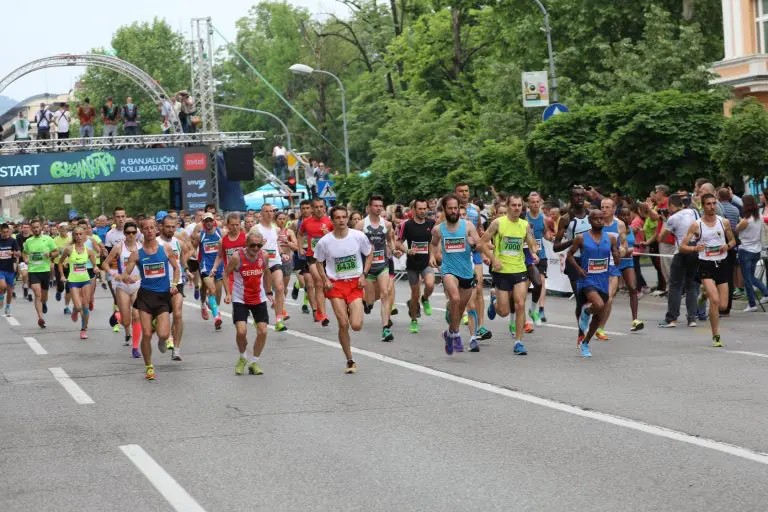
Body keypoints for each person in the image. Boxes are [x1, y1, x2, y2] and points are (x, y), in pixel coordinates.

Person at [313, 206, 372, 374]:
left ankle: (353, 308)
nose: (341, 220)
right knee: (343, 323)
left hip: (355, 284)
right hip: (336, 284)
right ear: (332, 220)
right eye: (337, 217)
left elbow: (369, 253)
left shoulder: (358, 236)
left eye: (344, 217)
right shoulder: (324, 242)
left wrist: (364, 275)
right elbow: (318, 262)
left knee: (356, 325)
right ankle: (350, 359)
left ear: (347, 218)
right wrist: (325, 279)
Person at [481, 194, 538, 355]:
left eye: (519, 205)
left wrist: (534, 252)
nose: (517, 208)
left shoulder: (525, 225)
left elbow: (531, 243)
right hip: (501, 271)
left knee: (520, 304)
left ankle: (518, 342)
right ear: (508, 206)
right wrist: (493, 259)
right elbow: (482, 242)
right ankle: (494, 303)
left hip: (519, 269)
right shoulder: (498, 223)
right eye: (513, 205)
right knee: (504, 311)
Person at [124, 218, 180, 380]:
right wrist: (128, 278)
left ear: (156, 229)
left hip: (163, 296)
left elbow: (176, 268)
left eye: (152, 228)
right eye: (146, 228)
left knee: (163, 334)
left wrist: (174, 284)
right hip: (145, 297)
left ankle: (161, 335)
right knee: (147, 333)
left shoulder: (166, 249)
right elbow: (126, 273)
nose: (149, 231)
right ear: (141, 231)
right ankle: (149, 367)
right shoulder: (136, 254)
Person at [678, 193, 736, 347]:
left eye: (714, 203)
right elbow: (682, 246)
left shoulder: (724, 222)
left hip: (722, 264)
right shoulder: (696, 225)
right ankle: (716, 335)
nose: (712, 207)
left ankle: (703, 295)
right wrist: (695, 248)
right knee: (715, 301)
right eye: (708, 204)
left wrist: (727, 246)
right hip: (705, 264)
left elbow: (733, 240)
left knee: (723, 306)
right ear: (703, 206)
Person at [429, 194, 481, 355]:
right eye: (450, 208)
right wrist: (432, 256)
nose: (453, 211)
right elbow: (433, 244)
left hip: (466, 271)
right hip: (448, 270)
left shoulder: (468, 226)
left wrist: (473, 244)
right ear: (444, 210)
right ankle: (456, 334)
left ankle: (449, 333)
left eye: (455, 208)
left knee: (460, 308)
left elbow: (480, 245)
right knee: (455, 299)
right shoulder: (438, 229)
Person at [567, 209, 621, 358]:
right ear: (590, 221)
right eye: (596, 218)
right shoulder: (581, 238)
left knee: (599, 316)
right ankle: (586, 312)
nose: (599, 221)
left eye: (601, 218)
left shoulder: (611, 238)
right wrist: (578, 269)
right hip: (587, 279)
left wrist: (617, 255)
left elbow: (616, 258)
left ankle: (585, 343)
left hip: (603, 279)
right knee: (598, 304)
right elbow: (569, 255)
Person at [224, 231, 272, 376]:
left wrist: (269, 292)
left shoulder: (264, 255)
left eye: (259, 245)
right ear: (246, 244)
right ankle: (243, 357)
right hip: (241, 298)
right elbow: (225, 274)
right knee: (241, 332)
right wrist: (228, 293)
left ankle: (254, 362)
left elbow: (267, 272)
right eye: (252, 245)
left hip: (259, 297)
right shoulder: (237, 257)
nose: (256, 248)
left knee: (263, 331)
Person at [356, 195, 397, 342]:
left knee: (385, 293)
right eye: (376, 206)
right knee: (371, 299)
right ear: (369, 207)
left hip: (382, 265)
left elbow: (390, 240)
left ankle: (385, 328)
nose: (379, 208)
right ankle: (367, 303)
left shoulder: (387, 224)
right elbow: (354, 245)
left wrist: (394, 250)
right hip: (367, 268)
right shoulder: (361, 225)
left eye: (381, 206)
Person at [454, 183, 492, 342]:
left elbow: (479, 230)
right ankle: (457, 314)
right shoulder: (451, 210)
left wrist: (484, 252)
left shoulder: (475, 210)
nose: (464, 193)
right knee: (460, 292)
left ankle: (481, 326)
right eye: (461, 191)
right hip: (458, 253)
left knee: (479, 288)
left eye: (466, 191)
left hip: (474, 252)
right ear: (456, 193)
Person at [657, 195, 700, 328]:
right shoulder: (694, 212)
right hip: (694, 250)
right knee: (691, 286)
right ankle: (692, 318)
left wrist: (666, 222)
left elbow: (662, 238)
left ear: (671, 205)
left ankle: (672, 318)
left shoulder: (673, 218)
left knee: (675, 286)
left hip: (681, 252)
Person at [102, 221, 142, 357]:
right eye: (128, 232)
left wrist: (138, 276)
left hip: (137, 285)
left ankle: (135, 347)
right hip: (122, 286)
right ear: (124, 234)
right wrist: (115, 275)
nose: (131, 235)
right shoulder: (119, 247)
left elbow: (146, 266)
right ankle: (123, 325)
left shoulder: (141, 247)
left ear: (137, 233)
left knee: (136, 315)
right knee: (126, 320)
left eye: (133, 232)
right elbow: (105, 264)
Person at [554, 186, 591, 329]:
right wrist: (573, 241)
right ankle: (581, 332)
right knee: (580, 299)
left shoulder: (591, 215)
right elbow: (556, 246)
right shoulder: (565, 219)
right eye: (576, 195)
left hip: (590, 261)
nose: (580, 198)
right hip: (574, 261)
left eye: (582, 195)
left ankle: (589, 321)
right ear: (571, 198)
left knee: (594, 297)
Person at [396, 199, 435, 334]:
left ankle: (425, 299)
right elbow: (398, 243)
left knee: (430, 284)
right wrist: (407, 250)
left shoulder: (431, 223)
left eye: (425, 209)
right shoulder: (407, 225)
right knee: (414, 294)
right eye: (420, 209)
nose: (423, 211)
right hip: (412, 264)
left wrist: (433, 256)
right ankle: (413, 320)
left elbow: (434, 242)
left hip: (426, 262)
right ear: (413, 210)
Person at [157, 214, 189, 361]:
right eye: (167, 226)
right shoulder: (156, 243)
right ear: (161, 227)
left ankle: (176, 349)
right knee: (161, 319)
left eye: (173, 227)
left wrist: (186, 269)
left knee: (177, 314)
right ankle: (163, 338)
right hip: (159, 285)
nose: (170, 229)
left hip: (177, 282)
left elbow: (183, 257)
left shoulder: (178, 242)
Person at [297, 198, 334, 326]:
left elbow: (338, 237)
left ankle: (319, 310)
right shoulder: (306, 222)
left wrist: (329, 234)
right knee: (318, 281)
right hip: (312, 256)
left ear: (325, 208)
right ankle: (323, 315)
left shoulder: (330, 222)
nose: (319, 209)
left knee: (322, 285)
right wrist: (300, 248)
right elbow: (300, 234)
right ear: (312, 209)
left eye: (321, 206)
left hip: (327, 258)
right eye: (316, 207)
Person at [57, 227, 98, 340]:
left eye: (81, 234)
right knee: (79, 307)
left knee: (85, 306)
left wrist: (95, 268)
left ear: (84, 236)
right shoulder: (69, 249)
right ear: (74, 236)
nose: (79, 236)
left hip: (85, 280)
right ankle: (75, 310)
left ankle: (84, 329)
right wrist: (62, 275)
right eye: (76, 234)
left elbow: (94, 265)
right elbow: (60, 263)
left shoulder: (89, 251)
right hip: (73, 281)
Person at [254, 205, 288, 332]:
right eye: (266, 211)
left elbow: (275, 244)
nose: (269, 213)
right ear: (261, 213)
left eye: (271, 211)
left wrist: (282, 253)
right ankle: (258, 317)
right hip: (260, 264)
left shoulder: (276, 229)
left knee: (280, 287)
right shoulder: (255, 229)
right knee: (259, 293)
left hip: (275, 262)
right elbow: (247, 245)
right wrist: (258, 245)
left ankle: (279, 320)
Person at [22, 220, 59, 328]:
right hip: (33, 271)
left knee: (44, 294)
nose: (36, 229)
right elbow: (24, 252)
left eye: (37, 227)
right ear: (31, 229)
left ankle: (44, 303)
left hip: (45, 270)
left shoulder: (48, 239)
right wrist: (25, 259)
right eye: (33, 227)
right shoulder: (28, 241)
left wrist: (50, 254)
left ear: (41, 227)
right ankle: (40, 318)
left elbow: (56, 252)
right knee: (37, 293)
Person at [735, 195, 768, 311]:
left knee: (747, 279)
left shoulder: (746, 220)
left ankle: (752, 304)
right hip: (756, 250)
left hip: (745, 250)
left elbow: (737, 229)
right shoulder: (759, 217)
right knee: (751, 277)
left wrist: (739, 221)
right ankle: (766, 293)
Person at [192, 212, 224, 329]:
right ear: (203, 222)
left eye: (210, 220)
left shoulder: (221, 232)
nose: (209, 223)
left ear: (214, 221)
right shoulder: (200, 235)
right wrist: (191, 255)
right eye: (206, 221)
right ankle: (215, 315)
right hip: (206, 266)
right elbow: (193, 248)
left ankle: (214, 307)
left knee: (217, 294)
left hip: (219, 266)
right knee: (211, 289)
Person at [525, 191, 552, 324]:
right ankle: (521, 310)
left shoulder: (544, 218)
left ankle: (539, 309)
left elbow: (546, 233)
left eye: (537, 202)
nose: (535, 204)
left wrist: (550, 237)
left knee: (541, 281)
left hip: (541, 254)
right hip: (527, 254)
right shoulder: (524, 218)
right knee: (526, 284)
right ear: (528, 204)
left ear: (540, 203)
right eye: (533, 202)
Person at [0, 223, 21, 316]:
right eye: (3, 232)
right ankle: (1, 297)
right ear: (0, 231)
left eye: (7, 232)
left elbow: (19, 254)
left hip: (10, 269)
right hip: (0, 268)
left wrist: (12, 253)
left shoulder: (13, 241)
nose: (5, 234)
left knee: (10, 290)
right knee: (2, 286)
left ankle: (8, 306)